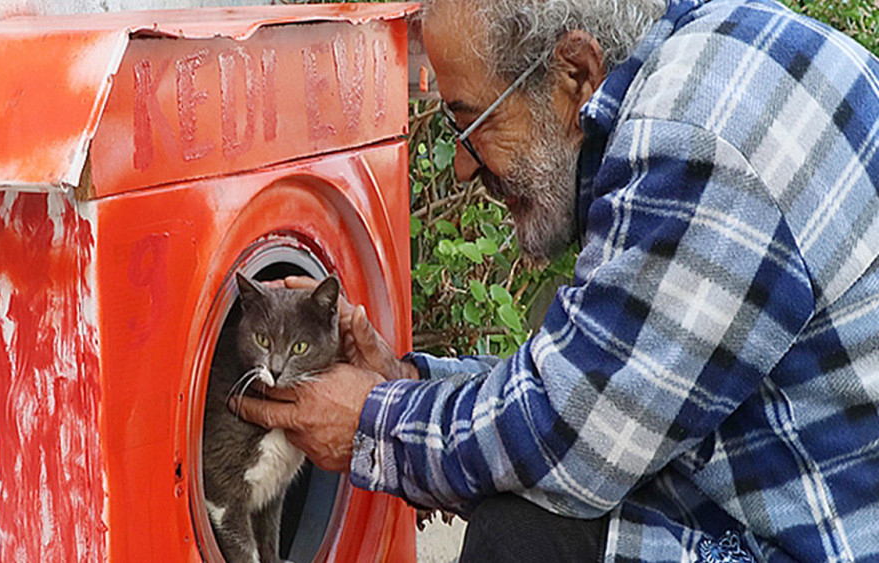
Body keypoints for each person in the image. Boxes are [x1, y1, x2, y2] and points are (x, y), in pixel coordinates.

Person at [234, 0, 879, 560]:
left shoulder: (695, 143)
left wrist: (371, 421)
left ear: (574, 74)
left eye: (471, 122)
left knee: (523, 534)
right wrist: (406, 381)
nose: (461, 168)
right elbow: (594, 376)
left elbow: (571, 437)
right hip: (776, 498)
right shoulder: (710, 61)